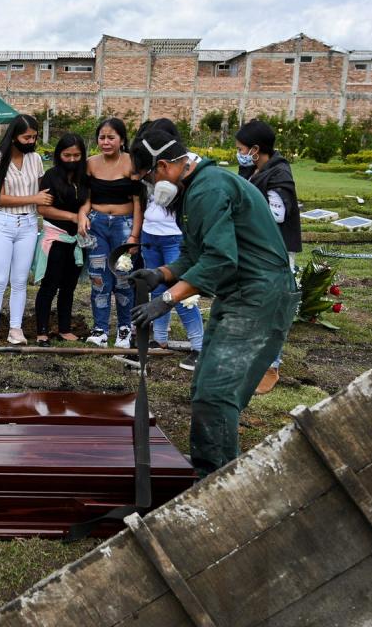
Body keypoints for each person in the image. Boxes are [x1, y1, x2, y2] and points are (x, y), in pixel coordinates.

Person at [127, 121, 299, 479]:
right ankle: (209, 468)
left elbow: (221, 260)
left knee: (216, 391)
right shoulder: (195, 189)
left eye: (145, 177)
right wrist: (161, 275)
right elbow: (195, 253)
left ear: (162, 167)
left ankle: (217, 478)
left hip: (258, 297)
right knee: (205, 383)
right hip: (239, 294)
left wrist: (167, 300)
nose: (147, 186)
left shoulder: (207, 189)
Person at [235, 119, 301, 394]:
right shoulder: (255, 169)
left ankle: (270, 365)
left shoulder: (279, 173)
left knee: (271, 310)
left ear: (255, 148)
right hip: (257, 250)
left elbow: (278, 213)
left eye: (241, 148)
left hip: (274, 252)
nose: (238, 153)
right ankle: (252, 361)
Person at [137, 120, 204, 371]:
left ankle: (199, 346)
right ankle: (160, 339)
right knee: (157, 290)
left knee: (182, 293)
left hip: (175, 237)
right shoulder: (148, 166)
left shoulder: (187, 164)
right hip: (150, 234)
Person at [0, 114, 51, 346]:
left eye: (34, 137)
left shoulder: (36, 160)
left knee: (20, 280)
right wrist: (33, 197)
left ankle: (15, 329)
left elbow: (43, 197)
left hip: (29, 225)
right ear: (13, 136)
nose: (31, 141)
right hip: (2, 224)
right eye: (26, 137)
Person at [80, 117, 142, 349]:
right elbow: (86, 200)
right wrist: (82, 216)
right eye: (102, 137)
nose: (105, 142)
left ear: (122, 140)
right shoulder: (90, 163)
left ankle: (125, 329)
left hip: (124, 225)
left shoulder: (131, 162)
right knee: (98, 278)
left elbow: (139, 204)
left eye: (111, 137)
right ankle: (100, 330)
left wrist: (135, 235)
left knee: (123, 277)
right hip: (96, 226)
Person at [33, 133, 89, 346]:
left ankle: (64, 328)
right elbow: (43, 208)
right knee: (49, 286)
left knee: (69, 286)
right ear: (59, 155)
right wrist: (73, 216)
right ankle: (42, 331)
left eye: (77, 155)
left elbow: (88, 200)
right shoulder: (51, 177)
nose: (72, 160)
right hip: (56, 238)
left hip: (77, 241)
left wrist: (82, 213)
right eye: (67, 155)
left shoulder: (84, 177)